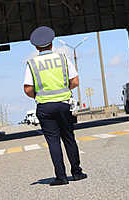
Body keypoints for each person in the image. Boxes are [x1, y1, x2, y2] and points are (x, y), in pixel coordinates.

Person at [23, 26, 87, 186]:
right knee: (69, 138)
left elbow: (27, 88)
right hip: (64, 104)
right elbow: (75, 81)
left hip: (45, 107)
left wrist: (39, 95)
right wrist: (64, 90)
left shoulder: (32, 63)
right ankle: (77, 173)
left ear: (36, 47)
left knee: (53, 142)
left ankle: (61, 177)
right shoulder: (63, 58)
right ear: (52, 43)